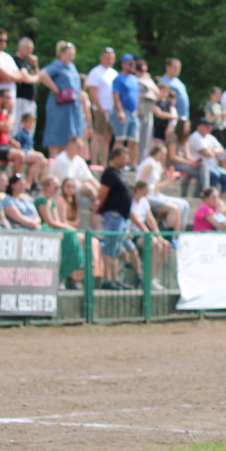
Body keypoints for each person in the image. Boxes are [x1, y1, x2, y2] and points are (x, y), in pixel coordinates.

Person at [93, 147, 133, 289]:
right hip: (112, 216)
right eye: (123, 157)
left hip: (121, 218)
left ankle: (115, 279)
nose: (126, 160)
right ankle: (107, 279)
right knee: (109, 248)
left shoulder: (119, 173)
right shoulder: (109, 173)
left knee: (116, 250)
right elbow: (103, 193)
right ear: (115, 157)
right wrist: (97, 211)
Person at [38, 41, 84, 158]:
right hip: (59, 106)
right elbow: (43, 74)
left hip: (71, 107)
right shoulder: (57, 65)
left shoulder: (72, 67)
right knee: (56, 133)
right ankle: (53, 161)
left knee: (69, 136)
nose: (71, 55)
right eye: (69, 53)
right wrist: (56, 89)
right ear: (62, 53)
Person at [0, 89, 46, 188]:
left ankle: (28, 184)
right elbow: (7, 128)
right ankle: (14, 184)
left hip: (5, 146)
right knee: (20, 155)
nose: (10, 101)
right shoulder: (1, 114)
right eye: (8, 98)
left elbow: (3, 133)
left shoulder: (4, 115)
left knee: (39, 159)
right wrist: (10, 112)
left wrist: (11, 141)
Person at [86, 46, 117, 168]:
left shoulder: (114, 73)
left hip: (111, 110)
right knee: (98, 135)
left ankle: (104, 162)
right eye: (108, 57)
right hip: (101, 109)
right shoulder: (96, 72)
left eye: (112, 58)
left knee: (107, 137)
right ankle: (94, 162)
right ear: (102, 58)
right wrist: (100, 108)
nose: (110, 60)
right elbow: (92, 92)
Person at [189, 118, 226, 197]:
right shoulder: (195, 136)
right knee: (215, 175)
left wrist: (211, 151)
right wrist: (213, 151)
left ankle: (221, 202)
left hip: (213, 166)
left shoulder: (210, 137)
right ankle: (211, 198)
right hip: (202, 166)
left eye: (210, 126)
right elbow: (206, 153)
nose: (210, 128)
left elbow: (221, 150)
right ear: (200, 126)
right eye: (207, 126)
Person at [111, 53, 141, 168]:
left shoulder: (134, 79)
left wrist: (136, 109)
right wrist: (119, 111)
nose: (133, 65)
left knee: (134, 140)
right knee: (120, 139)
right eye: (131, 63)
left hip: (133, 113)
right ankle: (114, 164)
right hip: (123, 111)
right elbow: (116, 96)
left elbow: (136, 96)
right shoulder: (118, 79)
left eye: (134, 63)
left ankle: (133, 165)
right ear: (124, 64)